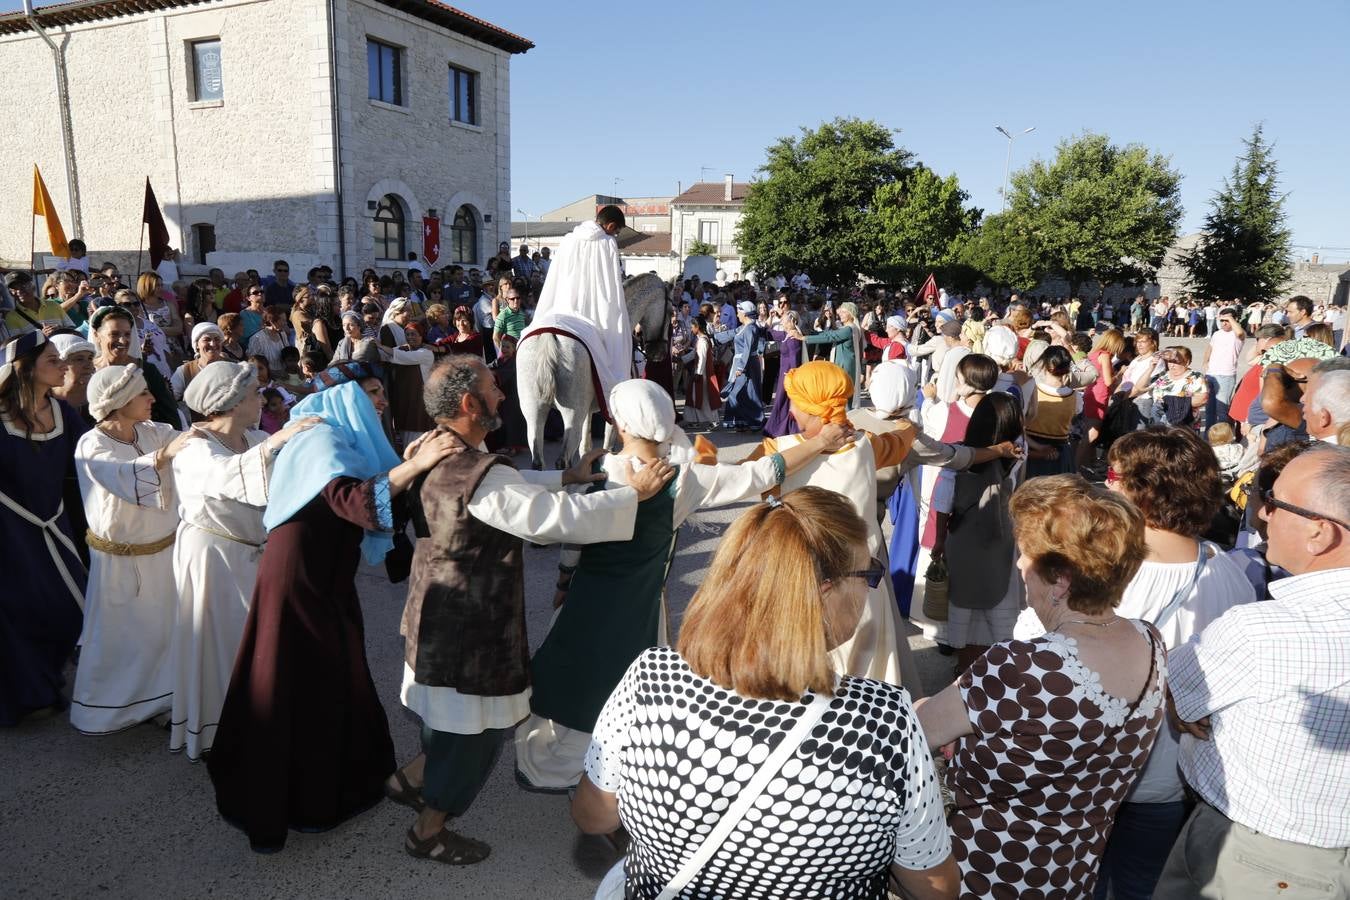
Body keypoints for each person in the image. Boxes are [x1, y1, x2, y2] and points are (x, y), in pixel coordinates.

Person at [573, 488, 959, 900]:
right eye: (868, 575)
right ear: (825, 591)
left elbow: (593, 816)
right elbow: (936, 888)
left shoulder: (650, 677)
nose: (871, 588)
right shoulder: (883, 720)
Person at [385, 355, 675, 865]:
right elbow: (547, 521)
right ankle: (428, 830)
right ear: (470, 404)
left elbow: (504, 490)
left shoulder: (437, 449)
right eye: (494, 388)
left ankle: (407, 778)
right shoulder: (473, 468)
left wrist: (564, 475)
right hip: (468, 629)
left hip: (436, 611)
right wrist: (632, 496)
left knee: (449, 719)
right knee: (472, 735)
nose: (503, 395)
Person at [516, 378, 855, 793]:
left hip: (588, 594)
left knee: (572, 670)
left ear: (620, 425)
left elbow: (576, 536)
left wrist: (564, 578)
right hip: (640, 601)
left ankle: (546, 763)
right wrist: (821, 443)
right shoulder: (683, 479)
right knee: (630, 682)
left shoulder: (598, 469)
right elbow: (762, 472)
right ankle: (617, 766)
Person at [207, 365, 458, 853]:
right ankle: (292, 801)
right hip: (301, 582)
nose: (380, 401)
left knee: (330, 676)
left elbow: (370, 490)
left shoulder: (335, 437)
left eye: (382, 391)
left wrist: (405, 465)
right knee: (299, 684)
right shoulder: (319, 441)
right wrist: (414, 466)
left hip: (322, 577)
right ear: (344, 398)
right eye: (370, 393)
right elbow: (353, 500)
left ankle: (343, 785)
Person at [917, 474, 1166, 900]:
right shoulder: (1150, 640)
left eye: (1028, 556)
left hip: (985, 870)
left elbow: (917, 730)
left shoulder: (1020, 666)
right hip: (1071, 872)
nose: (1019, 565)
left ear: (1062, 580)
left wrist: (925, 704)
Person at [1156, 445, 1350, 899]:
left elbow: (1172, 686)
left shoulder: (1263, 631)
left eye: (1276, 503)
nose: (1262, 513)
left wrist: (1180, 698)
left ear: (1320, 534)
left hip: (1253, 860)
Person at [167, 362, 314, 760]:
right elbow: (226, 477)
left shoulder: (252, 437)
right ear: (230, 403)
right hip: (212, 557)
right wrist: (276, 443)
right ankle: (220, 732)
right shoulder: (195, 447)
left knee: (256, 642)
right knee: (218, 643)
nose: (260, 400)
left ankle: (259, 723)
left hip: (249, 552)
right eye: (252, 395)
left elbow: (282, 466)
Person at [70, 365, 194, 734]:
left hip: (164, 553)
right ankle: (110, 708)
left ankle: (168, 698)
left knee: (165, 632)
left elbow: (188, 444)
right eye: (143, 393)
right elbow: (124, 477)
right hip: (120, 563)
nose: (152, 399)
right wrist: (165, 455)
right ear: (119, 401)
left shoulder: (153, 431)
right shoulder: (92, 444)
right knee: (125, 638)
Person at [0, 332, 88, 725]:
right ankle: (30, 694)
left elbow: (90, 457)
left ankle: (47, 677)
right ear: (28, 367)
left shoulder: (62, 412)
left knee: (68, 606)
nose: (63, 365)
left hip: (53, 523)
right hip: (8, 527)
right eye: (53, 360)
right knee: (17, 610)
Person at [945, 392, 1025, 671]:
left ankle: (964, 671)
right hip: (1000, 540)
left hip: (963, 540)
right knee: (996, 606)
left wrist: (937, 545)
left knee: (966, 606)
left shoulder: (957, 459)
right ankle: (992, 672)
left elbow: (942, 505)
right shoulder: (1016, 458)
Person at [519, 206, 631, 406]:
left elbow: (555, 277)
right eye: (616, 230)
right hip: (591, 309)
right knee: (615, 344)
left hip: (562, 304)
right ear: (611, 226)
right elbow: (610, 287)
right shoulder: (607, 243)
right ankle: (610, 397)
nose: (615, 234)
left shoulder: (568, 239)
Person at [89, 305, 180, 430]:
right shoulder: (88, 371)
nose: (122, 340)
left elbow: (170, 417)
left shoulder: (146, 370)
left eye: (127, 334)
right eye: (114, 334)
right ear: (96, 335)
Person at [712, 300, 769, 431]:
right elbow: (730, 334)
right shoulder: (744, 327)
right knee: (744, 393)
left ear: (745, 313)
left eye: (739, 312)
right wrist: (713, 339)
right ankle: (744, 422)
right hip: (744, 364)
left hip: (747, 365)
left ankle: (754, 420)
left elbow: (747, 350)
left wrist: (740, 367)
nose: (737, 314)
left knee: (739, 393)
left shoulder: (750, 329)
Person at [797, 300, 864, 407]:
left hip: (844, 365)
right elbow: (829, 333)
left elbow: (829, 337)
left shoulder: (848, 329)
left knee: (842, 395)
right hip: (845, 363)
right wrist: (809, 333)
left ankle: (844, 418)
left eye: (843, 312)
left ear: (851, 315)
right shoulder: (851, 328)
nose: (840, 314)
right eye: (840, 312)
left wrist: (804, 338)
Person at [764, 309, 805, 437]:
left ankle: (782, 428)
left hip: (788, 373)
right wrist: (770, 318)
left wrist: (792, 375)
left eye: (784, 320)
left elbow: (794, 359)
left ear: (792, 321)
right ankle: (778, 427)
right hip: (784, 371)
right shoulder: (787, 334)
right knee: (782, 400)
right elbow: (770, 332)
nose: (782, 321)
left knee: (785, 399)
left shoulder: (793, 337)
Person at [1148, 346, 1209, 428]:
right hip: (1159, 421)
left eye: (1176, 362)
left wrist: (1173, 403)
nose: (1171, 365)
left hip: (1184, 423)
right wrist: (1151, 368)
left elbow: (1203, 399)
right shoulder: (1163, 375)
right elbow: (1140, 388)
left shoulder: (1196, 377)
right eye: (1169, 361)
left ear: (1187, 362)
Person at [681, 314, 721, 428]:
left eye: (692, 326)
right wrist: (682, 359)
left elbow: (702, 358)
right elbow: (695, 354)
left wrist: (698, 373)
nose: (691, 329)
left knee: (703, 398)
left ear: (697, 327)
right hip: (701, 373)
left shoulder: (702, 341)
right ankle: (694, 420)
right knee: (695, 396)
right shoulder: (701, 340)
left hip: (703, 374)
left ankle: (713, 420)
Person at [49, 332, 97, 423]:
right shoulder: (42, 403)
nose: (88, 365)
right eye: (79, 359)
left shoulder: (99, 397)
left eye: (90, 358)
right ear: (59, 364)